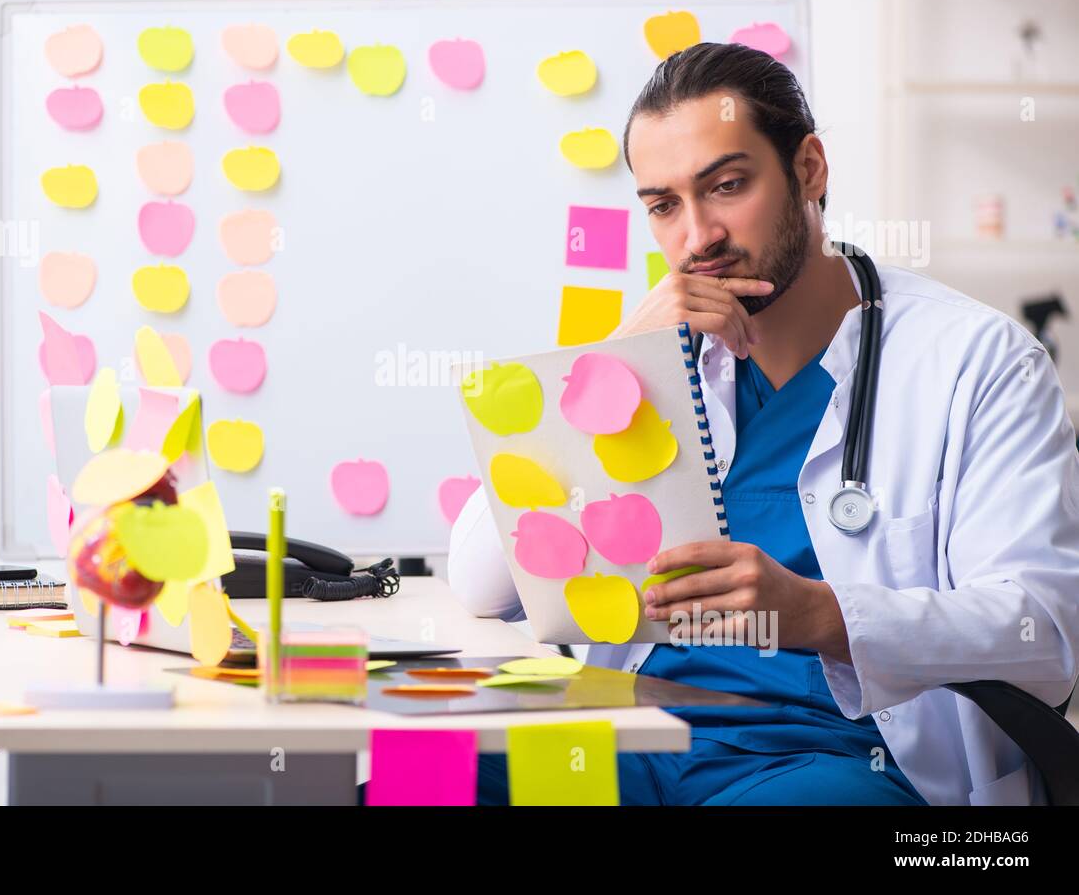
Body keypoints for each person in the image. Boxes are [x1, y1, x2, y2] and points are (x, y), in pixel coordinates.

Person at [449, 43, 1079, 805]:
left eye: (727, 186)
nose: (697, 237)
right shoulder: (649, 364)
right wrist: (614, 364)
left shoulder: (976, 360)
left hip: (836, 765)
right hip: (633, 743)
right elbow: (484, 583)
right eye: (664, 205)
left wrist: (818, 613)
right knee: (409, 778)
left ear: (809, 169)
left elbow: (1043, 632)